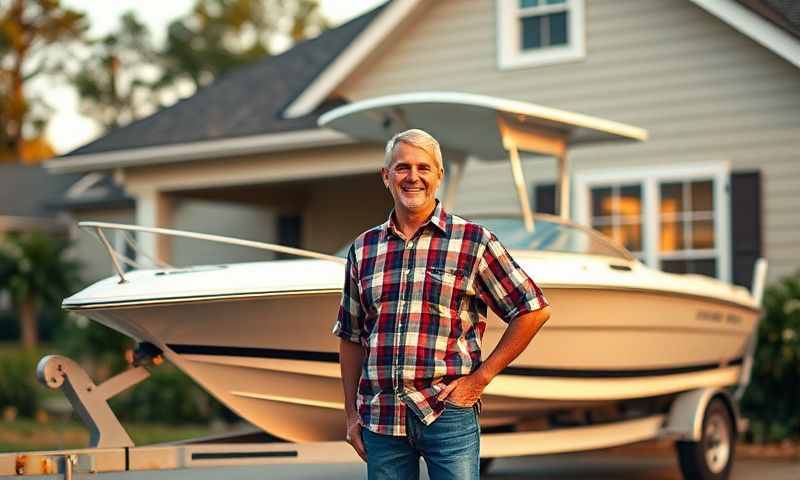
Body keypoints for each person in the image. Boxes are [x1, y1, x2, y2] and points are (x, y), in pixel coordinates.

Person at [333, 128, 551, 480]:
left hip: (448, 414)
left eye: (423, 167)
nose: (413, 177)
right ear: (386, 176)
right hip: (381, 418)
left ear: (439, 175)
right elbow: (351, 335)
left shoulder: (473, 241)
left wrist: (480, 379)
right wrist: (351, 414)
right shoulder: (363, 248)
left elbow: (533, 308)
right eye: (402, 167)